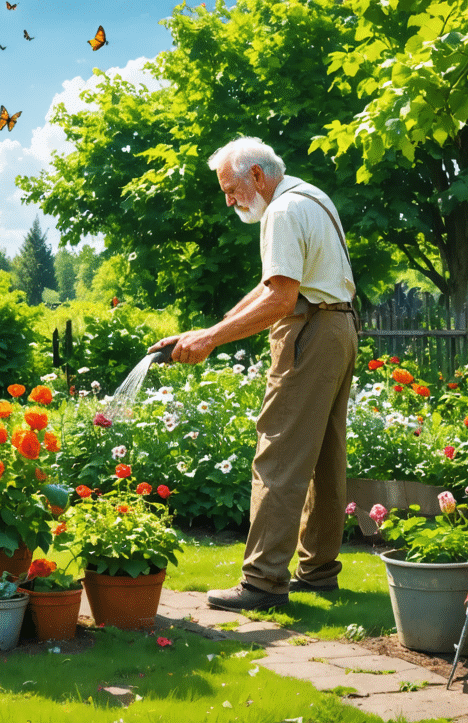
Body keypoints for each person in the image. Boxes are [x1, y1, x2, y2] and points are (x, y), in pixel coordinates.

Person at [148, 136, 357, 612]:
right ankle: (319, 572)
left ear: (257, 176)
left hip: (309, 332)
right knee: (325, 457)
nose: (229, 200)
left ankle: (262, 582)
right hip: (340, 327)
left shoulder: (282, 213)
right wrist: (211, 327)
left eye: (231, 188)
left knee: (278, 452)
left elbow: (282, 300)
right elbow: (275, 285)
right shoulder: (311, 196)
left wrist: (212, 340)